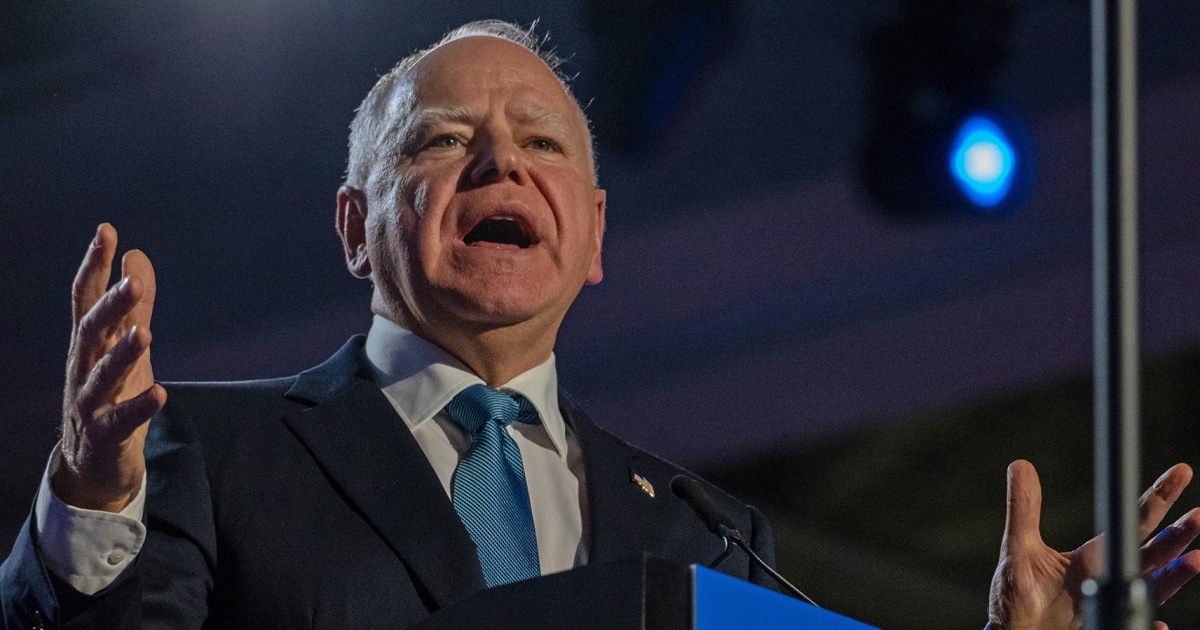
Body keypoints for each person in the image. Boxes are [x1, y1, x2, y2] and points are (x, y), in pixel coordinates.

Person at [0, 19, 1197, 630]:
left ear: (595, 234)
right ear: (356, 228)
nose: (500, 163)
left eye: (542, 143)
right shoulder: (202, 451)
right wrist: (91, 500)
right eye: (442, 139)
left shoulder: (703, 532)